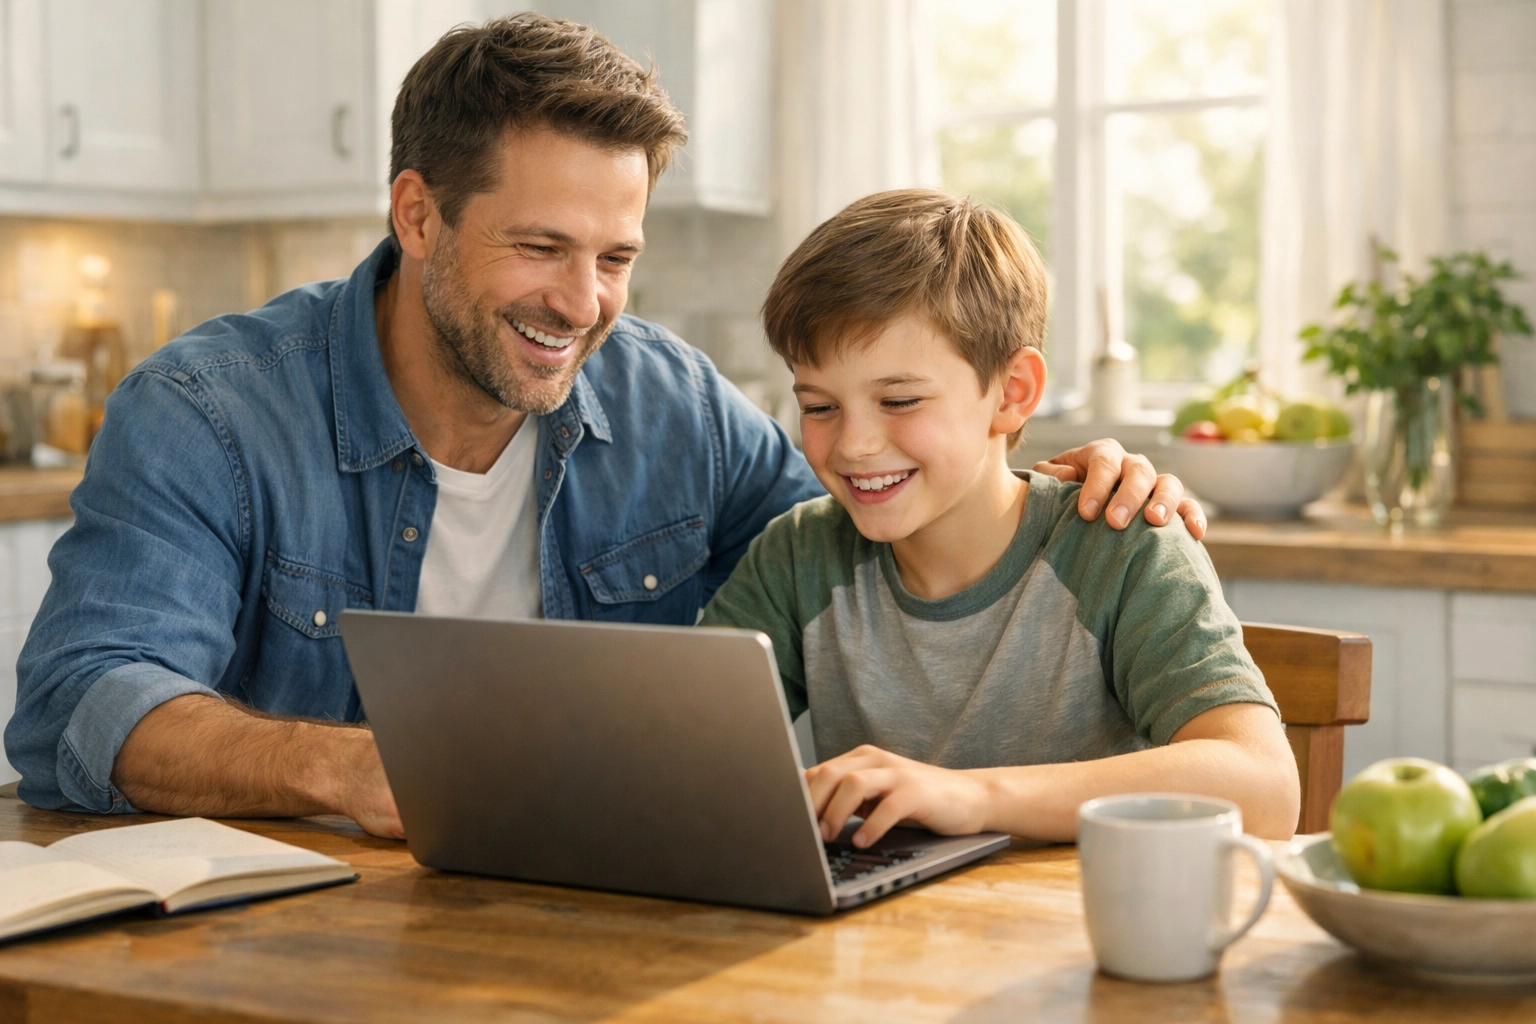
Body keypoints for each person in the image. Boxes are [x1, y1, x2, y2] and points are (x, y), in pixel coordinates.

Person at [4, 15, 1204, 840]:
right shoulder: (209, 412)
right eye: (540, 246)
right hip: (286, 945)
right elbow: (79, 700)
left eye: (615, 257)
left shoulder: (667, 402)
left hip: (582, 939)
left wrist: (1062, 479)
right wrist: (351, 765)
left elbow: (875, 512)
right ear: (417, 215)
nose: (583, 306)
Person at [701, 190, 1300, 847]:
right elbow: (681, 751)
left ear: (1012, 393)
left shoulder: (1118, 548)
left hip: (1076, 934)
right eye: (818, 407)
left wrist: (974, 795)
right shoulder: (798, 556)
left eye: (899, 400)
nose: (852, 445)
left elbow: (1265, 787)